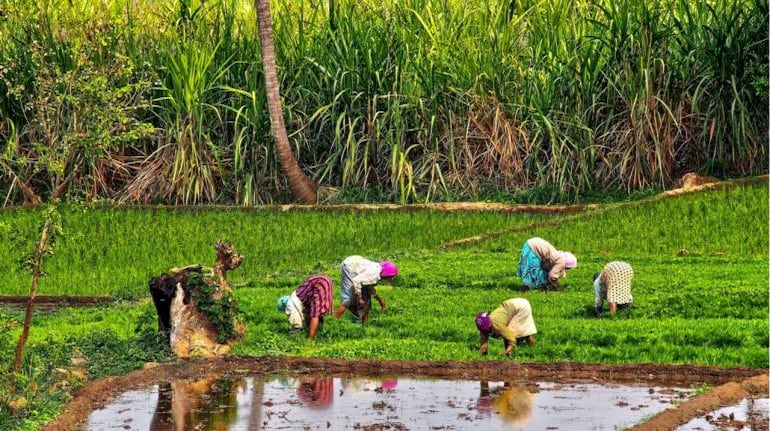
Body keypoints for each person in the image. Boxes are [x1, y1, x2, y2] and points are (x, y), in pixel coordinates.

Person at [334, 256, 398, 324]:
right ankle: (334, 320)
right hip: (349, 267)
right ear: (386, 274)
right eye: (390, 277)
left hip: (354, 264)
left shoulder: (377, 271)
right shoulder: (373, 274)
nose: (389, 280)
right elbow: (356, 281)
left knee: (366, 297)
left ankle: (364, 324)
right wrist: (359, 298)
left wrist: (380, 300)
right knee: (348, 298)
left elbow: (369, 288)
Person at [278, 274, 333, 340]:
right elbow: (310, 312)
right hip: (326, 280)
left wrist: (310, 338)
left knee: (298, 323)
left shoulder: (291, 303)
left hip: (320, 282)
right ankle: (317, 329)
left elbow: (315, 314)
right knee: (318, 308)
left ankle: (309, 337)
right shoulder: (304, 299)